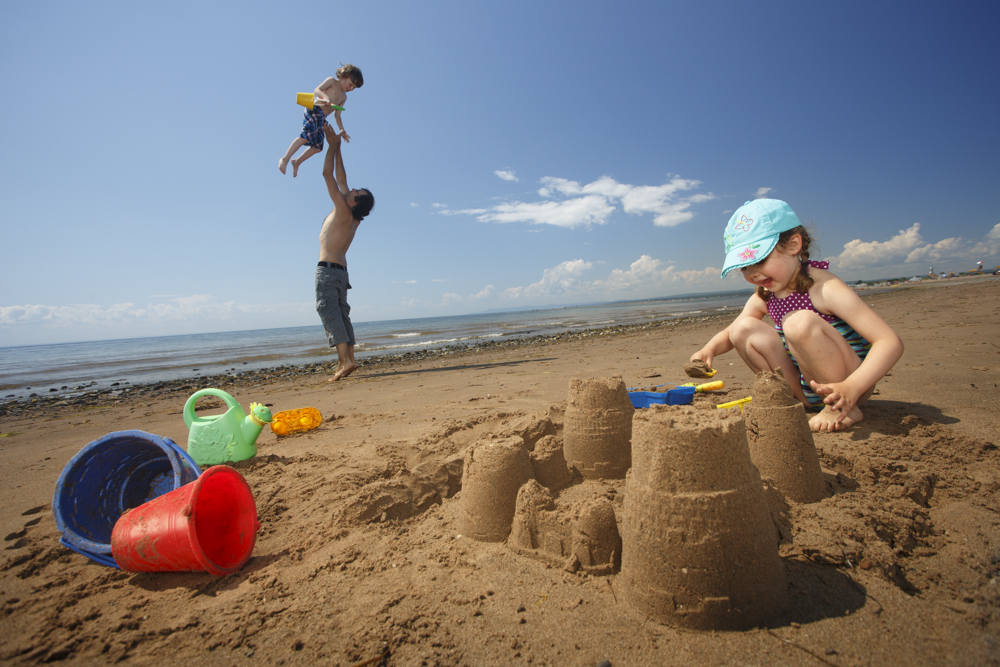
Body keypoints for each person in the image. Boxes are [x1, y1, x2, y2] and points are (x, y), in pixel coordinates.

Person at [690, 199, 903, 432]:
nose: (753, 273)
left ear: (793, 245)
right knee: (743, 328)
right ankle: (789, 401)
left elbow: (889, 342)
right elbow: (731, 332)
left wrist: (852, 386)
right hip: (804, 386)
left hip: (847, 386)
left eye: (759, 260)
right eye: (744, 267)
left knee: (799, 322)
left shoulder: (824, 287)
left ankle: (843, 409)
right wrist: (708, 350)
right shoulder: (766, 295)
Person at [315, 124, 375, 381]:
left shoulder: (342, 209)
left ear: (354, 201)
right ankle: (348, 359)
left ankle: (344, 362)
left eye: (355, 192)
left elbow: (327, 174)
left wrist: (330, 147)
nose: (350, 189)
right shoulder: (352, 217)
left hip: (328, 271)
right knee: (341, 314)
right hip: (340, 273)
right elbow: (341, 178)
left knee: (330, 313)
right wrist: (337, 146)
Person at [279, 64, 364, 177]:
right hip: (314, 108)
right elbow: (317, 90)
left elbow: (337, 115)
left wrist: (342, 129)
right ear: (344, 75)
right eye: (351, 84)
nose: (351, 88)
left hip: (322, 117)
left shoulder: (344, 97)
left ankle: (297, 162)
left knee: (318, 147)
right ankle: (285, 159)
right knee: (305, 136)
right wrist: (325, 97)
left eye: (354, 88)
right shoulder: (332, 82)